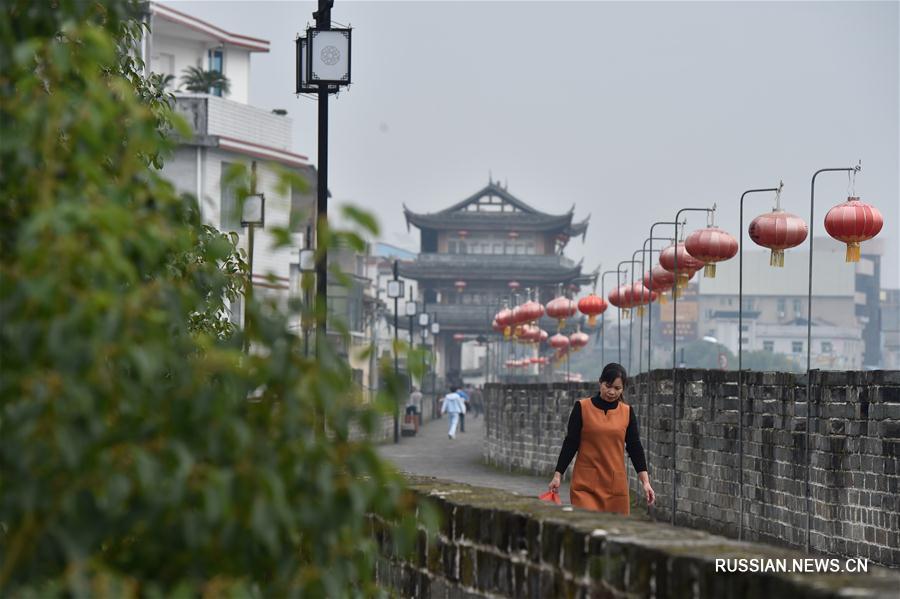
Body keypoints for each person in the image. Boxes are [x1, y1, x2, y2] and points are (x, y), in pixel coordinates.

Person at [548, 363, 655, 515]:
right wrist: (558, 475)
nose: (611, 392)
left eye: (617, 388)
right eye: (608, 386)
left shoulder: (627, 412)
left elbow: (634, 446)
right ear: (600, 382)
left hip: (615, 487)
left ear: (623, 388)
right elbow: (571, 443)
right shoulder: (582, 408)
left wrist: (646, 482)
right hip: (585, 486)